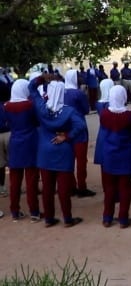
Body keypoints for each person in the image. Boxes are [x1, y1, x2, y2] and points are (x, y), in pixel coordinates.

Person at [29, 76, 85, 227]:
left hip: (44, 151)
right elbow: (80, 126)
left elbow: (31, 88)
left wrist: (41, 78)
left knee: (47, 188)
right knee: (63, 188)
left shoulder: (42, 107)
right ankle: (67, 218)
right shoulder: (68, 111)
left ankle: (49, 219)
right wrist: (67, 136)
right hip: (63, 151)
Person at [100, 85, 131, 228]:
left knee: (109, 188)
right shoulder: (129, 115)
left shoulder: (104, 114)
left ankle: (107, 217)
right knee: (125, 188)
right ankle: (123, 218)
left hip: (109, 154)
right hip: (125, 154)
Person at [4, 79, 41, 221]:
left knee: (15, 181)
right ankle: (34, 211)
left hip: (15, 143)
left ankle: (14, 211)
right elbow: (37, 121)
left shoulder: (6, 106)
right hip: (30, 142)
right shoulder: (30, 105)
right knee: (31, 180)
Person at [63, 69, 94, 198]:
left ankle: (71, 186)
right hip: (79, 129)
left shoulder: (62, 92)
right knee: (81, 160)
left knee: (68, 159)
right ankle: (82, 187)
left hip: (65, 127)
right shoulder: (78, 93)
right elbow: (86, 110)